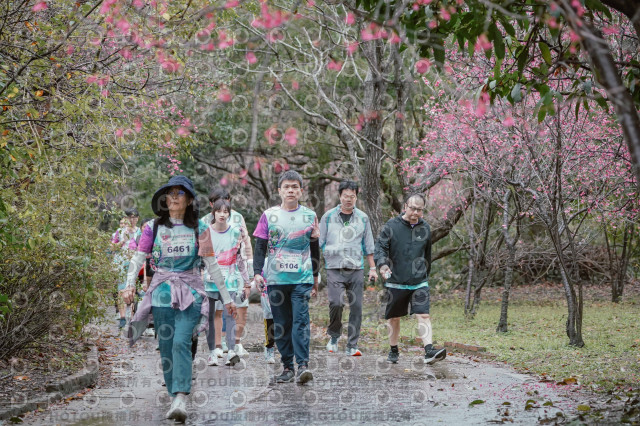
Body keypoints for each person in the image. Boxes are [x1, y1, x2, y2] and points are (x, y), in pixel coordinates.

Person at [123, 175, 236, 423]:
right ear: (164, 199)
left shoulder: (200, 229)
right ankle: (174, 395)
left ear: (190, 200)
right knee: (166, 347)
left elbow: (212, 265)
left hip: (191, 294)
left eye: (180, 193)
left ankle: (181, 398)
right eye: (171, 193)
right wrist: (129, 285)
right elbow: (138, 258)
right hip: (161, 295)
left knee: (181, 342)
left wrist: (227, 298)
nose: (174, 197)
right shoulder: (152, 228)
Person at [253, 170, 320, 384]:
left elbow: (315, 248)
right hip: (276, 279)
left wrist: (315, 277)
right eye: (286, 187)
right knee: (281, 323)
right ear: (279, 191)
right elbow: (260, 246)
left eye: (294, 187)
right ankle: (288, 367)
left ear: (301, 191)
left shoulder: (310, 216)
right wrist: (257, 272)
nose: (290, 190)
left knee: (300, 321)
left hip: (302, 278)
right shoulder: (268, 215)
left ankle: (303, 366)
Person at [374, 193, 446, 365]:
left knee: (423, 314)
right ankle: (393, 349)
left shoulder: (425, 228)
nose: (415, 213)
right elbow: (381, 247)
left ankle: (429, 351)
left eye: (419, 210)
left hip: (419, 280)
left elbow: (427, 254)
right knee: (394, 318)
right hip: (396, 280)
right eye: (413, 208)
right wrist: (383, 265)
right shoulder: (391, 226)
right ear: (405, 206)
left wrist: (425, 273)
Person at [319, 180, 377, 356]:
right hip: (334, 267)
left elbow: (368, 245)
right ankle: (334, 336)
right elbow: (319, 242)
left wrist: (373, 268)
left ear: (356, 197)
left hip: (355, 268)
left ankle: (352, 345)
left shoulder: (363, 218)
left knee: (357, 306)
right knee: (336, 303)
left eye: (352, 196)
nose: (349, 199)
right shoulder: (328, 217)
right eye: (346, 196)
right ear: (340, 196)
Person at [202, 188, 253, 356]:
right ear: (212, 205)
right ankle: (218, 345)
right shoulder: (205, 222)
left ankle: (236, 343)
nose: (223, 210)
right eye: (218, 203)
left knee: (239, 305)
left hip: (236, 266)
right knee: (215, 309)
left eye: (226, 201)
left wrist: (249, 263)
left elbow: (246, 241)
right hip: (213, 271)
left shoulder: (238, 218)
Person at [111, 209, 141, 329]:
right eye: (130, 217)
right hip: (121, 263)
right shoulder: (120, 231)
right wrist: (123, 240)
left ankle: (133, 317)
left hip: (136, 263)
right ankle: (123, 317)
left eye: (134, 217)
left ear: (137, 218)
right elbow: (113, 247)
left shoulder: (141, 232)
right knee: (121, 289)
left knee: (134, 290)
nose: (132, 220)